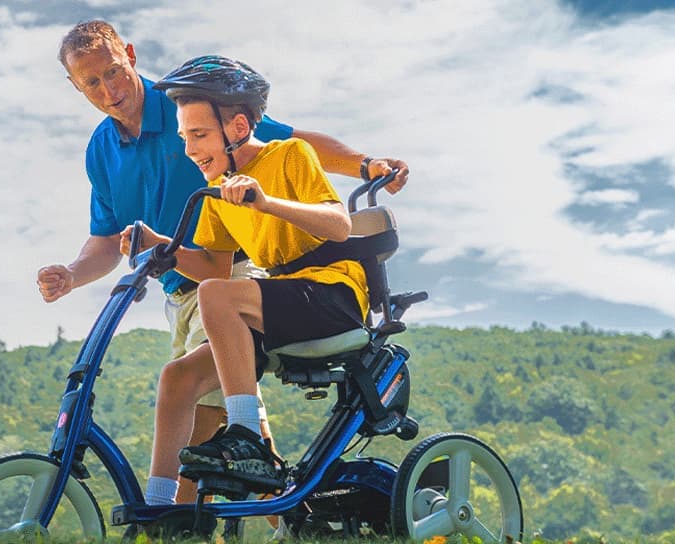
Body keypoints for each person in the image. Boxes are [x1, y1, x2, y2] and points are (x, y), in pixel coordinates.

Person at [37, 20, 406, 506]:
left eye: (113, 72)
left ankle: (215, 476)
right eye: (91, 82)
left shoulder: (205, 114)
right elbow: (144, 248)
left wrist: (362, 165)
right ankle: (171, 507)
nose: (108, 90)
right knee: (178, 380)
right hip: (212, 291)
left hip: (282, 287)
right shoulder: (124, 156)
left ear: (128, 54)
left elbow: (310, 185)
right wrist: (134, 253)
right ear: (75, 86)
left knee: (211, 400)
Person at [123, 55, 373, 497]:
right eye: (184, 137)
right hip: (277, 302)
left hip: (332, 295)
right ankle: (159, 510)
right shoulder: (219, 193)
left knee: (219, 296)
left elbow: (340, 224)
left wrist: (264, 202)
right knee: (177, 377)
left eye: (199, 135)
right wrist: (160, 244)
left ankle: (247, 440)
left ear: (238, 127)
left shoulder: (288, 155)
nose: (190, 149)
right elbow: (212, 269)